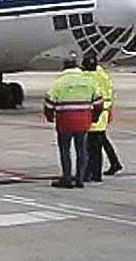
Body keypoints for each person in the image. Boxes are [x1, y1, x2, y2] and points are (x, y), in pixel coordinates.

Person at [44, 56, 104, 189]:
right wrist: (94, 117)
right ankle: (80, 179)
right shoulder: (89, 81)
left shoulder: (59, 82)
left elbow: (49, 101)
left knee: (65, 150)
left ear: (64, 67)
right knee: (82, 150)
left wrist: (50, 116)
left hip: (65, 121)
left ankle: (66, 178)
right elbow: (99, 102)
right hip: (83, 121)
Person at [82, 55, 123, 181]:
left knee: (92, 144)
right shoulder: (103, 75)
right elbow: (109, 93)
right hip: (104, 111)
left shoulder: (89, 77)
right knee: (100, 140)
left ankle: (90, 172)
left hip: (93, 111)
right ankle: (112, 164)